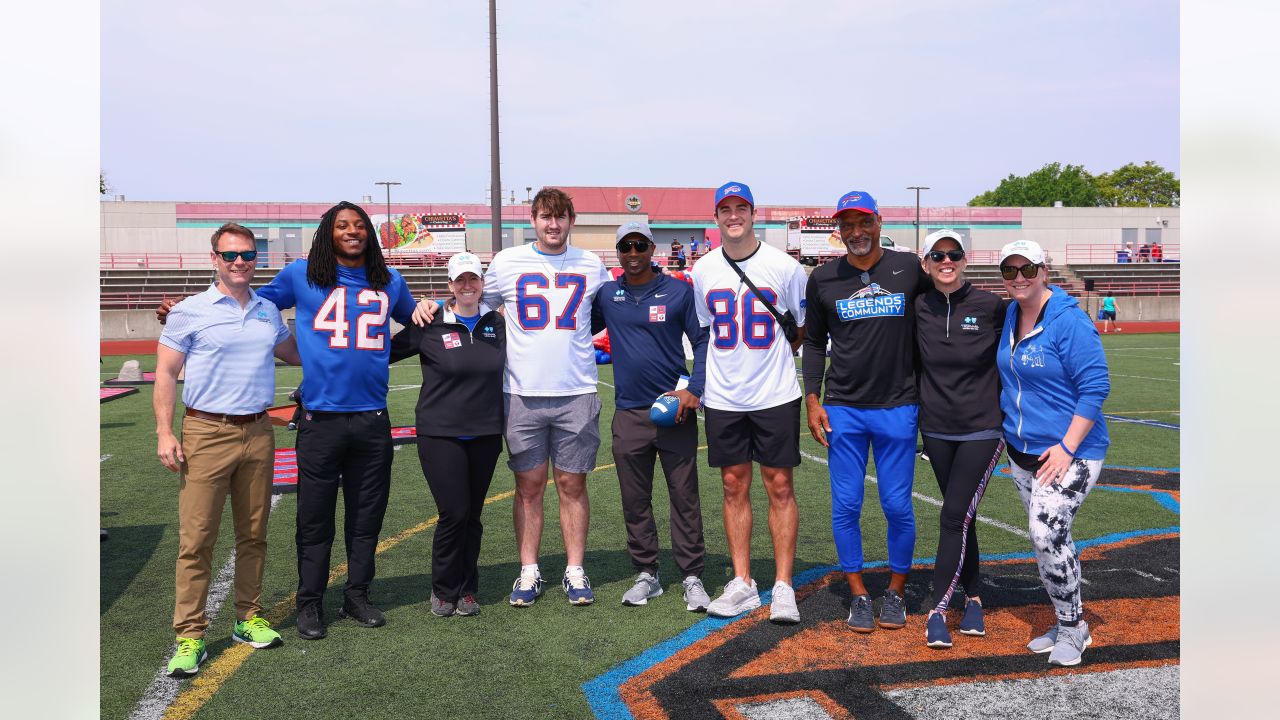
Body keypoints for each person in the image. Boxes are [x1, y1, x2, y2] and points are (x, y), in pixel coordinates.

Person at [163, 202, 419, 639]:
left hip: (373, 417)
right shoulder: (301, 274)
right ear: (328, 233)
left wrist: (428, 308)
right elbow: (250, 303)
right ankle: (310, 603)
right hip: (321, 419)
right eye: (342, 225)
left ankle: (358, 595)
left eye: (359, 226)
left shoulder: (389, 280)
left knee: (366, 517)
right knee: (314, 518)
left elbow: (413, 320)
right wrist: (188, 311)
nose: (352, 232)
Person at [413, 187, 611, 607]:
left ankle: (575, 569)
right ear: (534, 220)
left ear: (571, 220)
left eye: (560, 217)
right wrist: (430, 303)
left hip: (576, 389)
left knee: (572, 485)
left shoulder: (592, 265)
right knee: (529, 486)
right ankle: (528, 570)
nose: (553, 224)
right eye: (545, 216)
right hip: (521, 393)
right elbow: (469, 300)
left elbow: (605, 315)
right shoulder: (507, 262)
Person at [153, 223, 300, 677]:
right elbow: (164, 374)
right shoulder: (188, 312)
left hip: (258, 432)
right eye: (231, 255)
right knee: (197, 539)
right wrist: (164, 431)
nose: (240, 262)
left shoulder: (267, 310)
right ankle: (190, 636)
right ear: (214, 258)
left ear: (257, 259)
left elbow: (293, 353)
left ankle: (246, 617)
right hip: (206, 432)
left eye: (248, 255)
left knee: (253, 533)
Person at [802, 190, 932, 633]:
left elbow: (936, 318)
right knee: (846, 505)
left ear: (878, 222)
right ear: (839, 230)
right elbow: (816, 342)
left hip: (898, 404)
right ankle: (858, 593)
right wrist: (813, 398)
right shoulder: (823, 278)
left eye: (863, 222)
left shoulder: (909, 267)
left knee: (897, 505)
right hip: (843, 407)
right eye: (847, 225)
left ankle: (895, 590)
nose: (856, 232)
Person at [692, 181, 808, 623]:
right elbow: (707, 329)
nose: (734, 215)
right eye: (726, 208)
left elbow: (801, 328)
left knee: (779, 486)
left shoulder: (784, 266)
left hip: (775, 393)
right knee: (732, 485)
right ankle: (743, 581)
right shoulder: (703, 270)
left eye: (741, 207)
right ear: (717, 216)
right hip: (724, 395)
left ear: (753, 213)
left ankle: (783, 585)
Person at [996, 239, 1110, 667]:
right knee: (1050, 538)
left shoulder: (1068, 321)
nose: (1019, 277)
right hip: (1023, 451)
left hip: (1070, 451)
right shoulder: (1010, 314)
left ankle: (1073, 628)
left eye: (1028, 268)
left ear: (1045, 271)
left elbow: (1096, 387)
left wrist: (1066, 447)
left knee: (1046, 534)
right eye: (1010, 271)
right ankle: (1066, 619)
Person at [591, 221, 711, 611]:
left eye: (639, 245)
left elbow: (702, 339)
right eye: (625, 247)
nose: (632, 253)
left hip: (673, 412)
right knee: (634, 499)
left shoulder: (678, 290)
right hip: (628, 412)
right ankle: (647, 573)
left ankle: (692, 575)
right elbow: (573, 329)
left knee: (684, 496)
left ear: (651, 249)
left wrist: (694, 390)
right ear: (619, 251)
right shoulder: (608, 294)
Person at [389, 252, 505, 618]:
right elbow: (382, 353)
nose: (467, 286)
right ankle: (443, 588)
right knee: (453, 513)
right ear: (450, 285)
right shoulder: (431, 322)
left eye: (474, 279)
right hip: (441, 434)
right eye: (460, 280)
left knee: (472, 515)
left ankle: (468, 589)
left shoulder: (497, 323)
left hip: (486, 433)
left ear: (482, 283)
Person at [913, 229, 1008, 649]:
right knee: (963, 516)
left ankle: (938, 608)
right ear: (926, 262)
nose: (946, 261)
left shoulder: (990, 306)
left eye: (953, 254)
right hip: (936, 430)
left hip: (983, 430)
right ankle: (974, 599)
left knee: (952, 516)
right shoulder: (918, 306)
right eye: (938, 255)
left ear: (965, 260)